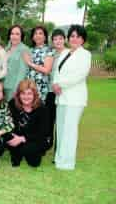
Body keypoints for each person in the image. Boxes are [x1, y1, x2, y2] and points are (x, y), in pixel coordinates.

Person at [52, 25, 91, 170]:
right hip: (61, 98)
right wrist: (56, 84)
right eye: (72, 36)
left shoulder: (85, 55)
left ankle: (67, 162)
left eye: (78, 37)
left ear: (82, 40)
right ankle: (59, 158)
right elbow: (57, 72)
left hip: (75, 99)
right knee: (61, 129)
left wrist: (60, 84)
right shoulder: (65, 53)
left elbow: (80, 75)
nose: (74, 39)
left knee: (70, 130)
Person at [7, 79, 49, 167]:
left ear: (34, 95)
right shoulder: (12, 104)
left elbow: (43, 132)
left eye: (29, 93)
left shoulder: (42, 109)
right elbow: (7, 124)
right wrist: (14, 137)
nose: (26, 97)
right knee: (10, 140)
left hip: (34, 139)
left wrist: (23, 138)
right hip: (16, 137)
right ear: (18, 95)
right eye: (23, 93)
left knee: (34, 163)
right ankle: (16, 152)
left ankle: (21, 151)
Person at [45, 29, 69, 151]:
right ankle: (47, 143)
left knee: (61, 121)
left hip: (63, 92)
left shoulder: (69, 54)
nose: (58, 41)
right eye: (55, 39)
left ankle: (59, 149)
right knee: (49, 119)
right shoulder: (51, 54)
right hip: (50, 92)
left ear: (64, 39)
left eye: (60, 38)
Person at [26, 26, 54, 102]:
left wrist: (31, 64)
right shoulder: (29, 50)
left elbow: (47, 70)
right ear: (32, 37)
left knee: (38, 110)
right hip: (28, 86)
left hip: (41, 86)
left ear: (45, 37)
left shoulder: (48, 50)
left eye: (40, 33)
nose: (37, 35)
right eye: (35, 34)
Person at [3, 25, 30, 101]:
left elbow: (22, 72)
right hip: (3, 86)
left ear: (21, 36)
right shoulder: (6, 48)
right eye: (12, 34)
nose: (14, 36)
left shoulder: (24, 50)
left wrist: (17, 90)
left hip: (14, 88)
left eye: (17, 34)